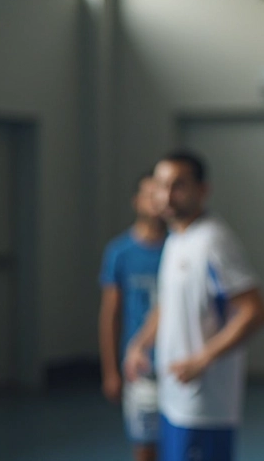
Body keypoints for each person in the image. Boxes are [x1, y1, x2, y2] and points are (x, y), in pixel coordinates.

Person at [125, 151, 264, 461]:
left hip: (205, 407)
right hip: (173, 397)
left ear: (202, 190)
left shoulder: (213, 242)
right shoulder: (177, 237)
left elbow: (255, 312)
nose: (167, 195)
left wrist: (202, 360)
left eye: (178, 185)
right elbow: (167, 302)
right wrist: (140, 343)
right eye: (161, 185)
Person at [99, 172, 167, 461]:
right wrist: (111, 370)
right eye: (148, 194)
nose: (155, 201)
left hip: (176, 363)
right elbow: (110, 314)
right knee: (144, 446)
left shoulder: (179, 246)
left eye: (160, 193)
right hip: (139, 368)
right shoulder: (120, 252)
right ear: (136, 201)